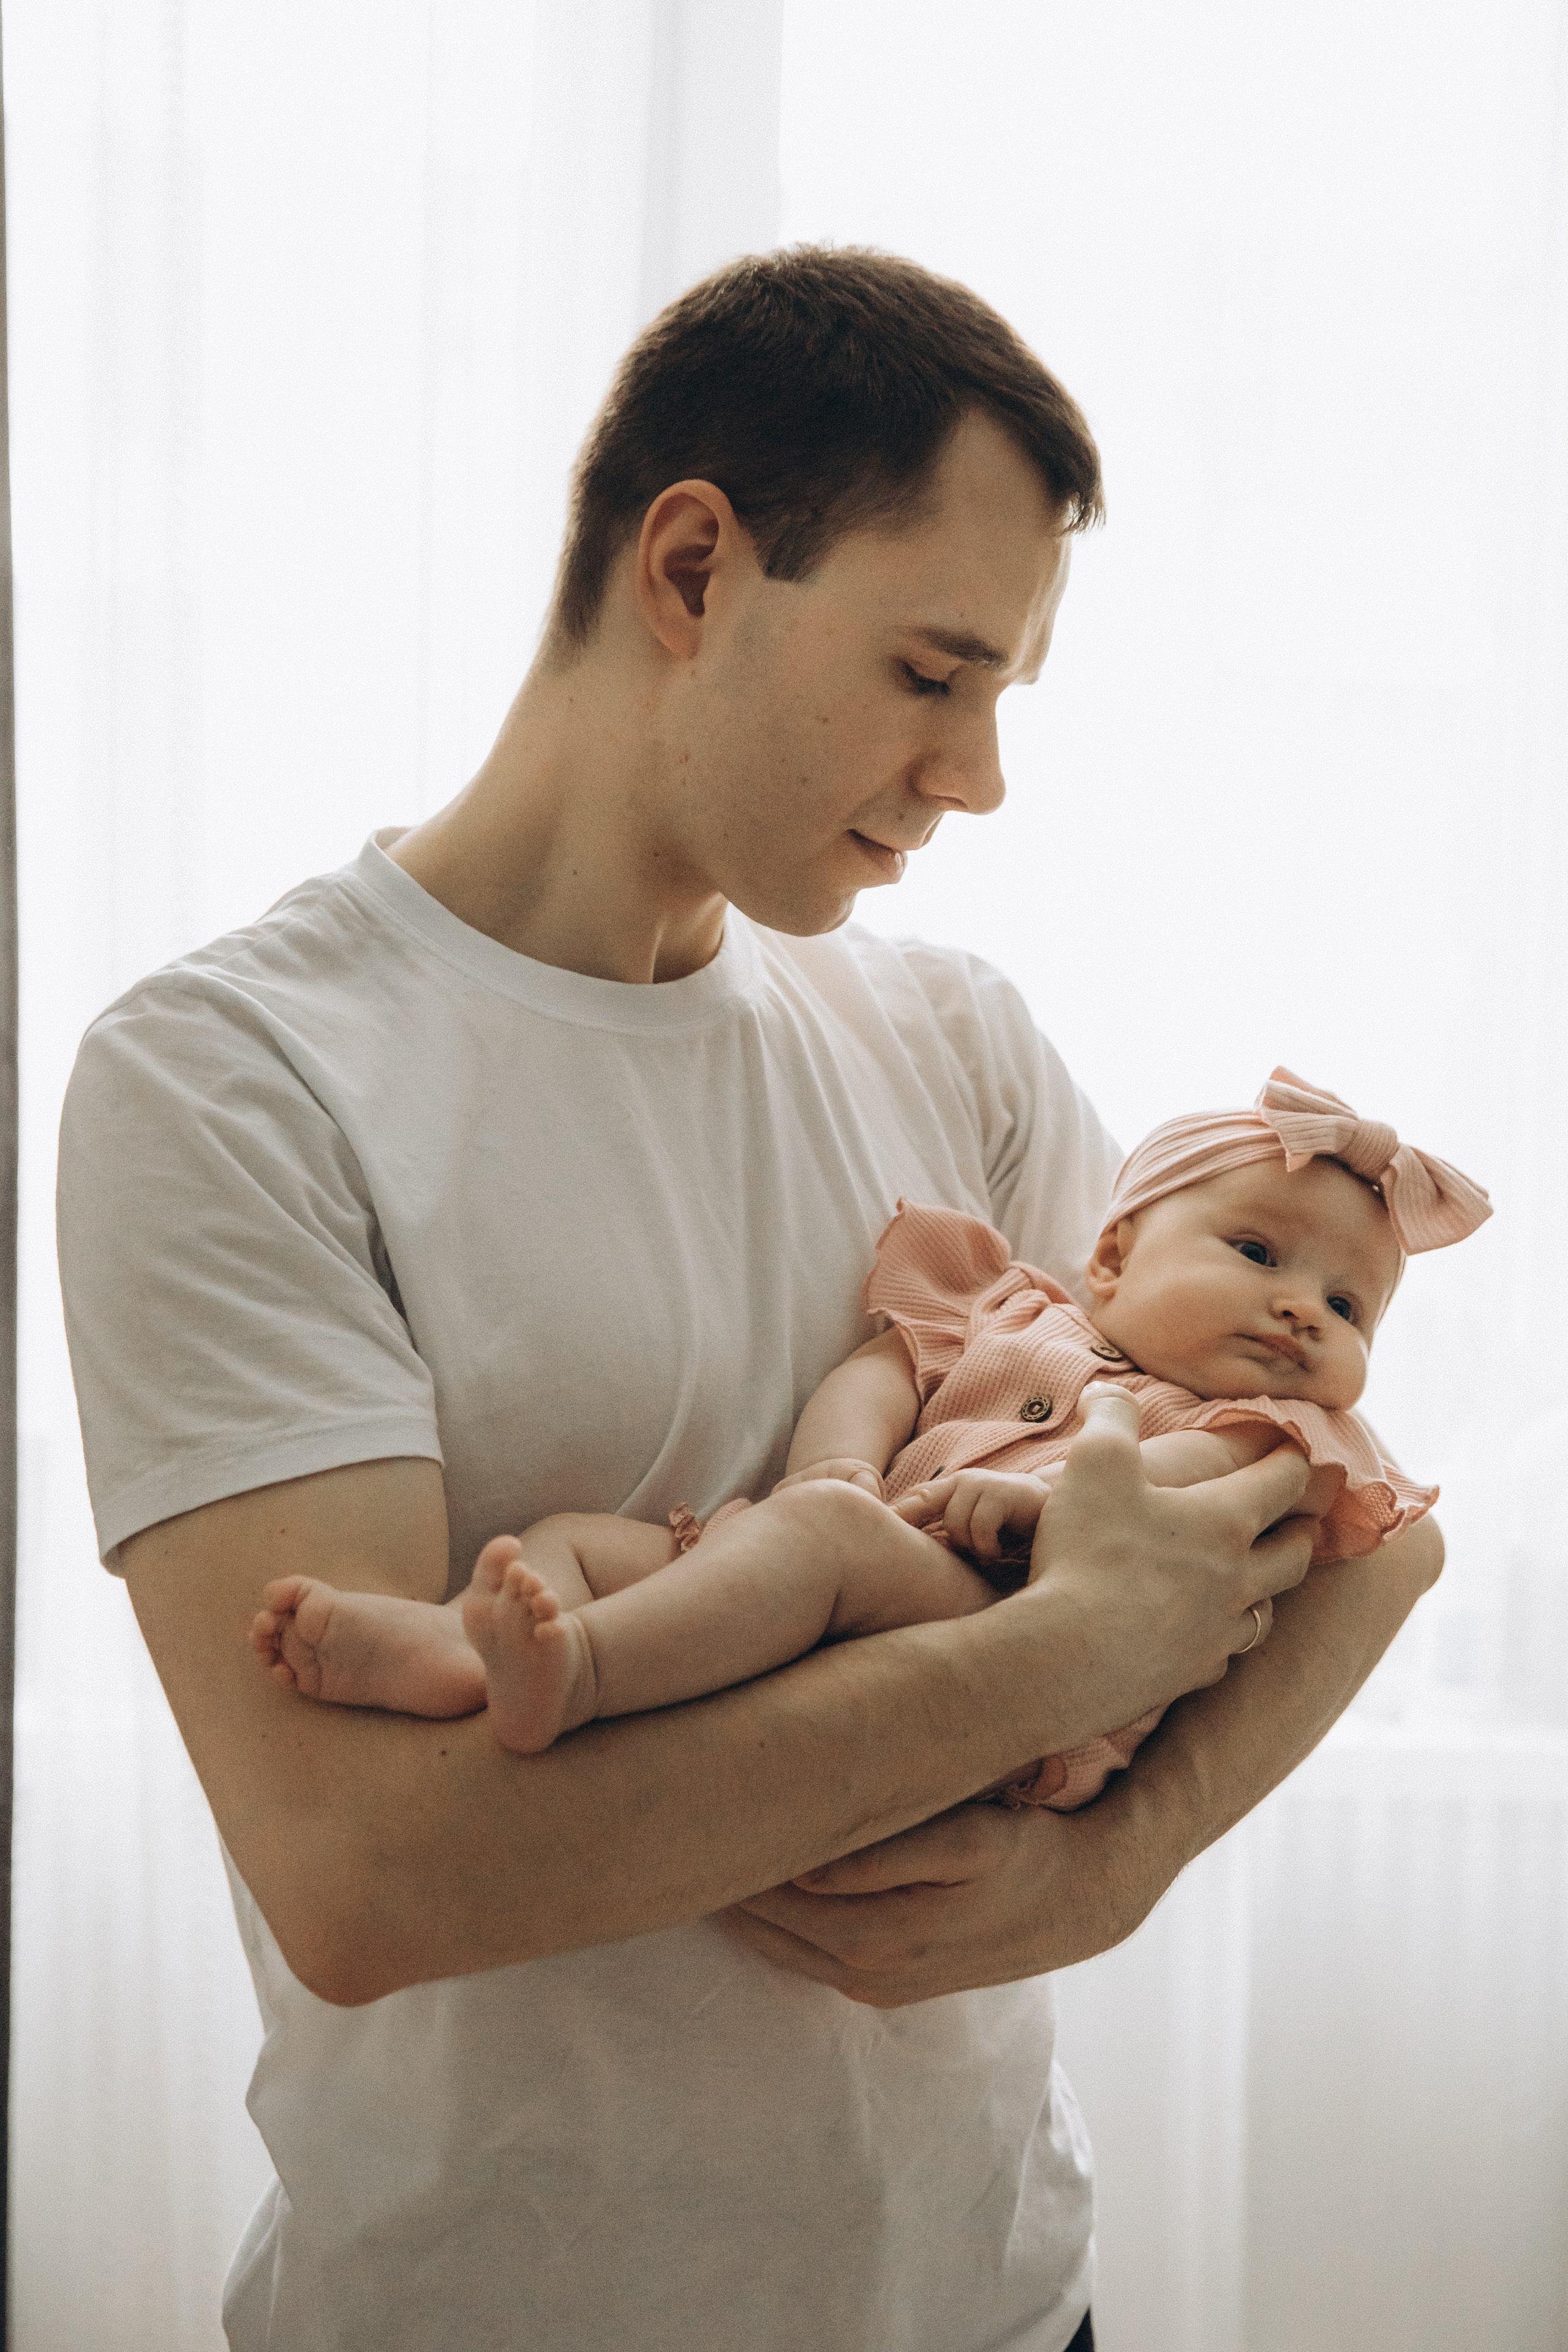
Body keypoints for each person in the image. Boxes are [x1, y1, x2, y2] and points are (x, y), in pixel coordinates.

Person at [56, 249, 1444, 2352]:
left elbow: (1351, 1524)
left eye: (1002, 696)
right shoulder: (235, 1082)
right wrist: (1054, 1656)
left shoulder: (960, 1046)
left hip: (1002, 2306)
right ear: (695, 566)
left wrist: (1118, 1857)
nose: (977, 774)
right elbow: (368, 1875)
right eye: (932, 672)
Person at [247, 1068, 1487, 1811]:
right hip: (858, 1562)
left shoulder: (1264, 1433)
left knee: (821, 1544)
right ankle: (457, 1649)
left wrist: (1045, 1509)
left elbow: (1168, 1491)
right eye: (1259, 1254)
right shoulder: (1008, 1308)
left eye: (1346, 1307)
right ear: (1110, 1258)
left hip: (999, 1630)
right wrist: (831, 1465)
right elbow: (879, 1376)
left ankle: (578, 1675)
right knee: (580, 1539)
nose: (1299, 1311)